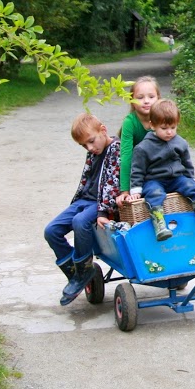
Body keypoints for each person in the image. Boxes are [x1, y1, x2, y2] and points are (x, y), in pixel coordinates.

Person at [44, 112, 120, 306]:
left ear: (103, 130)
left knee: (80, 221)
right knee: (51, 231)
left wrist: (104, 209)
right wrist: (75, 204)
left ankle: (84, 268)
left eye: (91, 141)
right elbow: (87, 180)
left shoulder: (117, 149)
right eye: (84, 145)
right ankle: (75, 273)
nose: (89, 147)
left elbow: (114, 186)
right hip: (85, 201)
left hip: (102, 204)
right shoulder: (92, 151)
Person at [129, 98, 195, 239]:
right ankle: (159, 223)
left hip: (176, 178)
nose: (169, 132)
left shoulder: (180, 142)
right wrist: (136, 189)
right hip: (154, 180)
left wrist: (190, 179)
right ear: (152, 125)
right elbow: (137, 170)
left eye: (173, 128)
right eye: (164, 128)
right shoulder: (143, 147)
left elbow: (187, 163)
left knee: (191, 187)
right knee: (154, 193)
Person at [115, 75, 159, 210]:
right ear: (132, 101)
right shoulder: (130, 122)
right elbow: (126, 156)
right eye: (140, 98)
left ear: (158, 98)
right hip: (137, 171)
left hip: (159, 167)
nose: (146, 101)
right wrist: (125, 190)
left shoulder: (162, 118)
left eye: (151, 97)